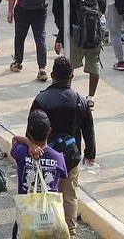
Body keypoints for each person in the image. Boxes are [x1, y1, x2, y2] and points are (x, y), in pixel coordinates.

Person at [29, 57, 96, 236]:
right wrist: (90, 153)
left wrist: (30, 148)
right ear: (72, 76)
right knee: (69, 195)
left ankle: (45, 229)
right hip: (70, 158)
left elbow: (32, 129)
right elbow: (88, 129)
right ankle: (70, 231)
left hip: (45, 156)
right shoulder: (80, 100)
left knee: (45, 193)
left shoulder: (41, 99)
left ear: (52, 75)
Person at [10, 110, 68, 239]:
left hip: (26, 217)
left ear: (28, 132)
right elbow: (60, 181)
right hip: (50, 217)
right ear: (49, 131)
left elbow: (15, 139)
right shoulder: (58, 158)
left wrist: (28, 143)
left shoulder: (21, 152)